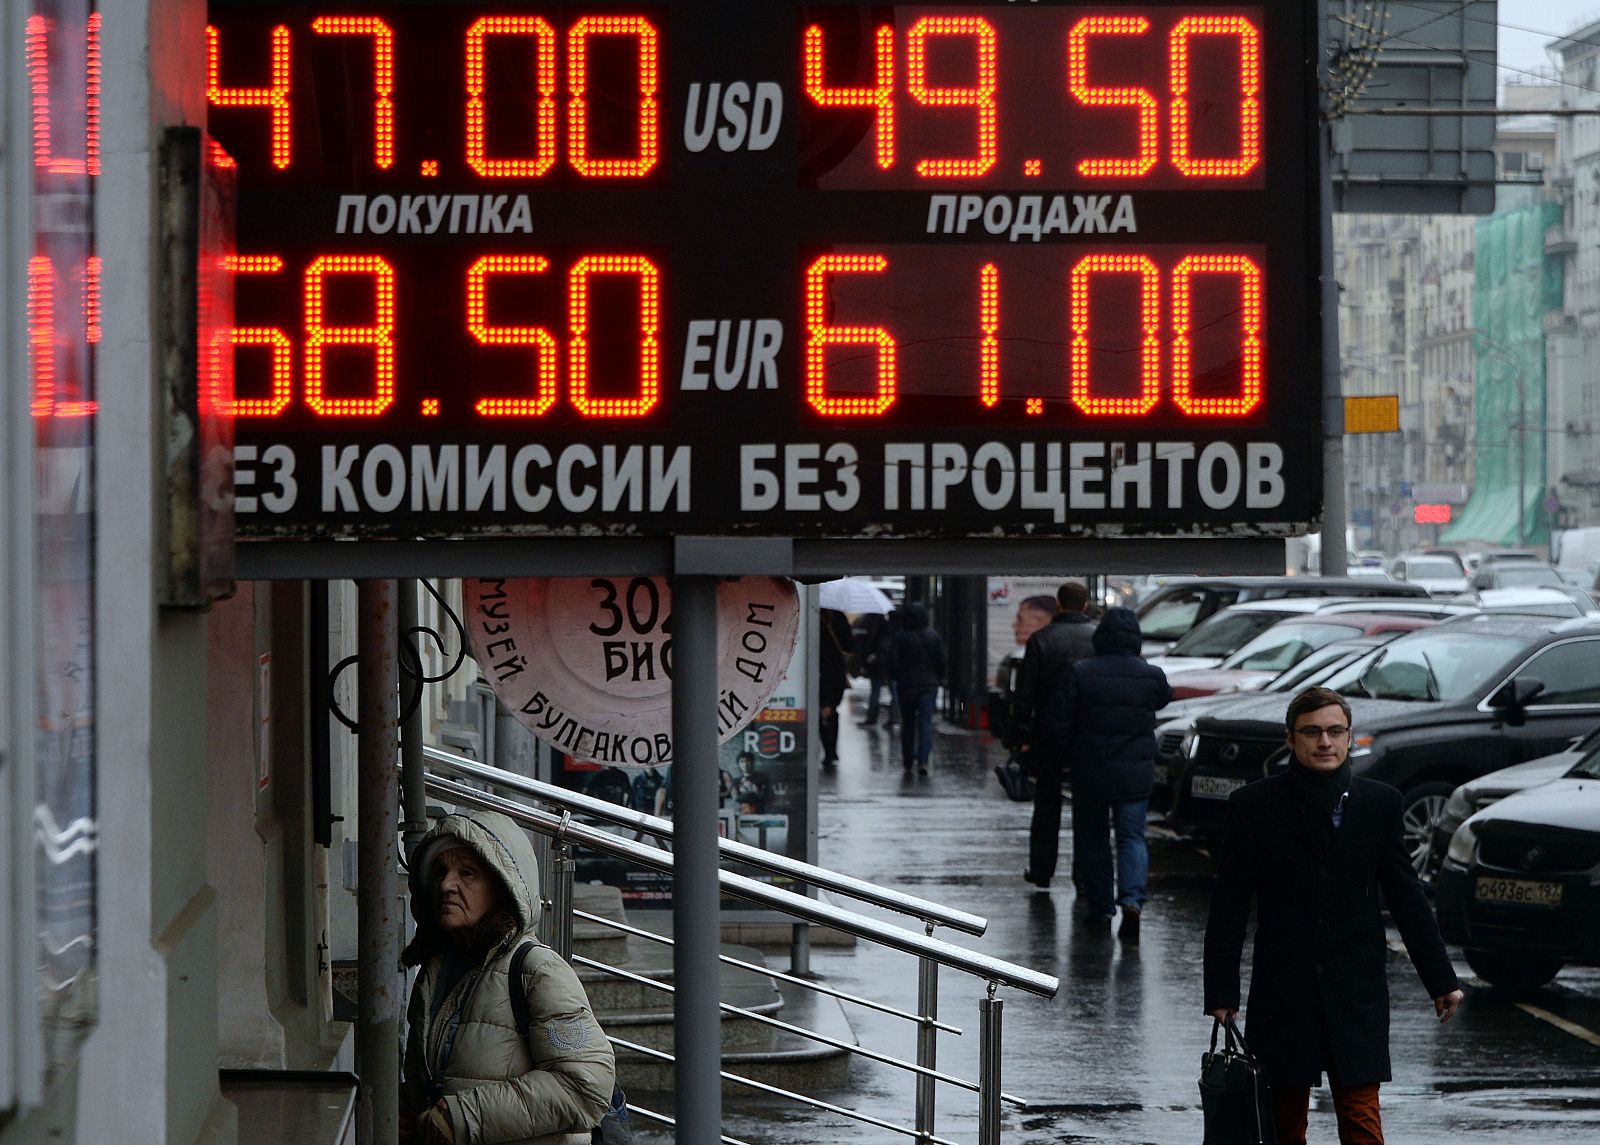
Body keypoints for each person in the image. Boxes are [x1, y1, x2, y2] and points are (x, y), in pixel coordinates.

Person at [1204, 685, 1464, 1145]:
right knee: (1285, 1124)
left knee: (1362, 1117)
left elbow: (1407, 897)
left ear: (1349, 738)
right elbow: (1229, 905)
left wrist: (1440, 980)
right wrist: (1222, 993)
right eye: (1312, 732)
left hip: (1355, 988)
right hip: (1284, 989)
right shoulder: (1255, 806)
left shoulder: (1379, 803)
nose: (1324, 742)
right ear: (1291, 739)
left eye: (1334, 731)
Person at [401, 809, 615, 1145]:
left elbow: (585, 1086)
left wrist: (459, 1118)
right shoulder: (436, 972)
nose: (446, 884)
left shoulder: (536, 969)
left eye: (467, 873)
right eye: (441, 872)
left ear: (503, 887)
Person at [1051, 606, 1170, 938]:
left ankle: (1101, 907)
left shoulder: (1081, 672)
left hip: (1090, 771)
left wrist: (1061, 759)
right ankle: (1132, 901)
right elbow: (1165, 698)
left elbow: (1061, 721)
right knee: (1132, 837)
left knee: (1094, 840)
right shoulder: (1151, 674)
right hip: (1135, 773)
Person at [1016, 582, 1098, 892]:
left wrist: (1022, 734)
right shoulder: (1096, 638)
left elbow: (1026, 694)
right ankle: (1083, 874)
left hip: (1048, 734)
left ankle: (1041, 870)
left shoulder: (1041, 640)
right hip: (1087, 734)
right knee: (1087, 807)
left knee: (1047, 804)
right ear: (1085, 605)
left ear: (1059, 604)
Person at [888, 601, 945, 773]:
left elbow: (894, 663)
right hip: (928, 685)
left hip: (907, 686)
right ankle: (923, 760)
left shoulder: (901, 637)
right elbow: (941, 661)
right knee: (925, 722)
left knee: (908, 723)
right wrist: (936, 678)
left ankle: (907, 760)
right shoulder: (934, 636)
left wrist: (899, 677)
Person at [818, 607, 854, 767]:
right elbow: (850, 646)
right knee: (831, 710)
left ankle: (829, 750)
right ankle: (831, 750)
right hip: (837, 672)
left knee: (823, 712)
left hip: (821, 671)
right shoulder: (839, 616)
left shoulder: (816, 617)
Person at [854, 610, 898, 729]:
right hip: (890, 663)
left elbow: (870, 641)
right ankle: (894, 718)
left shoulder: (874, 621)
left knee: (876, 690)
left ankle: (872, 717)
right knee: (893, 691)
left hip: (878, 663)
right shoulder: (895, 624)